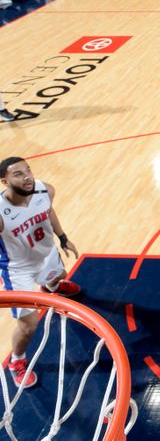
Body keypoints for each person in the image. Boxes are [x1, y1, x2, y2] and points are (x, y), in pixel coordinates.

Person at [0, 157, 80, 388]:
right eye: (18, 174)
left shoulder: (45, 189)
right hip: (17, 269)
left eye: (28, 170)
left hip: (44, 254)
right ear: (5, 181)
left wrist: (63, 237)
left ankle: (52, 286)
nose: (27, 176)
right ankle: (17, 361)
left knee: (60, 276)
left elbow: (49, 211)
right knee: (29, 326)